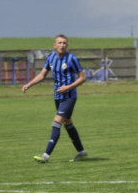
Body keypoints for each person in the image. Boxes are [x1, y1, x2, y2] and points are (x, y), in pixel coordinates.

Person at [22, 35, 88, 163]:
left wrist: (68, 87)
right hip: (57, 96)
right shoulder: (51, 58)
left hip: (69, 96)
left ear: (67, 45)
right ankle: (81, 152)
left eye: (64, 43)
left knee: (56, 122)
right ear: (54, 45)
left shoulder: (71, 59)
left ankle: (46, 156)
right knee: (67, 123)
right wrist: (29, 84)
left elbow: (82, 78)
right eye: (60, 43)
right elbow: (42, 75)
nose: (62, 45)